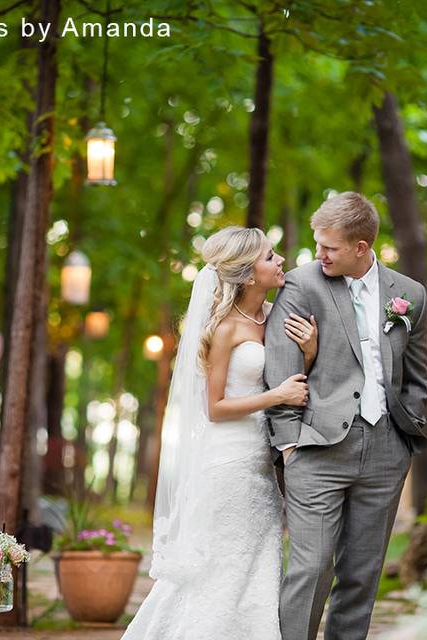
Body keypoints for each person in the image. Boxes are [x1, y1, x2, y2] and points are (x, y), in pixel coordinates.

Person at [122, 226, 317, 640]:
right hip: (227, 461)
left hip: (263, 463)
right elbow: (215, 408)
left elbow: (293, 374)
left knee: (256, 566)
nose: (280, 260)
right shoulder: (225, 328)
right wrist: (277, 396)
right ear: (248, 275)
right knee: (220, 570)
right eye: (269, 256)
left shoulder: (276, 316)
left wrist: (311, 351)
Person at [264, 191, 427, 640]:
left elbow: (417, 375)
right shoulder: (302, 284)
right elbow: (280, 364)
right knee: (311, 567)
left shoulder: (410, 295)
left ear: (362, 247)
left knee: (362, 575)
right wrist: (289, 442)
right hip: (316, 448)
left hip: (386, 451)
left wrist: (407, 434)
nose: (320, 255)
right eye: (318, 245)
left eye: (329, 247)